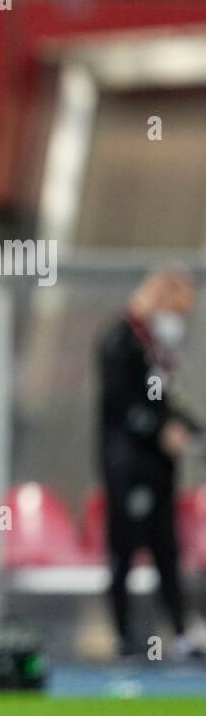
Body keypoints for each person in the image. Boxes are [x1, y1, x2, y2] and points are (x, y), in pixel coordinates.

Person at [97, 268, 204, 660]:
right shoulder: (119, 340)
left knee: (166, 549)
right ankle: (124, 636)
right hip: (127, 466)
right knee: (124, 549)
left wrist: (193, 430)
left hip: (159, 469)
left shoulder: (155, 349)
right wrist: (160, 431)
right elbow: (123, 404)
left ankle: (180, 632)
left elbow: (166, 405)